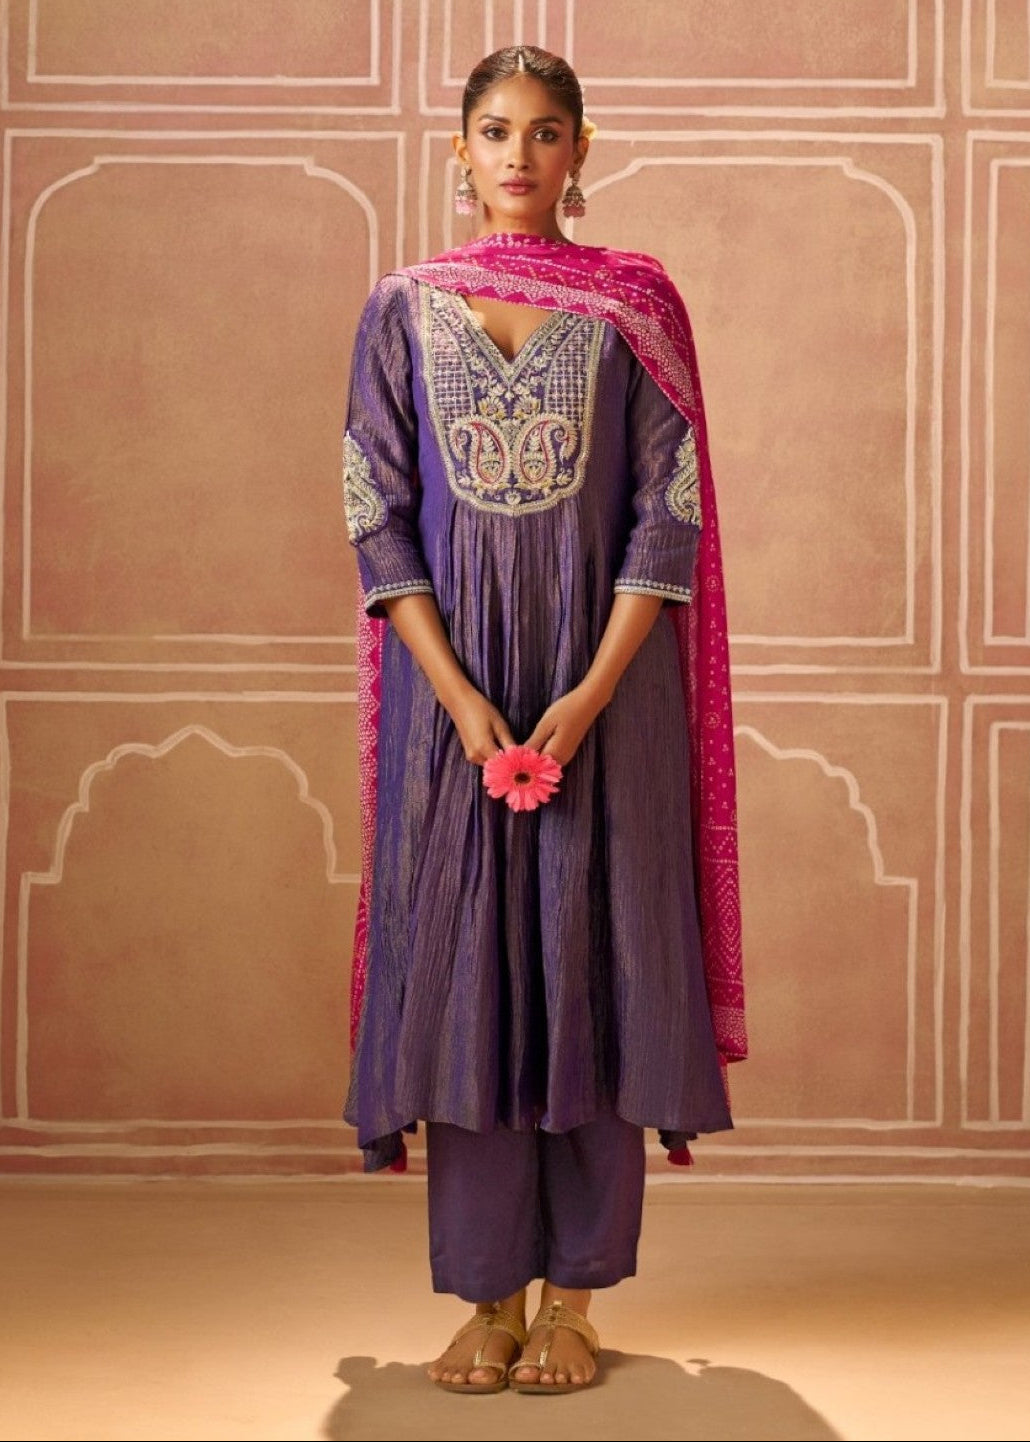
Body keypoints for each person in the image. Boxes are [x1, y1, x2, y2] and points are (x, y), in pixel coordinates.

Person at [341, 44, 746, 1395]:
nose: (519, 155)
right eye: (495, 131)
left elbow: (666, 516)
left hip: (607, 699)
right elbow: (376, 515)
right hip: (448, 704)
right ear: (458, 152)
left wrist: (588, 694)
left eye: (546, 132)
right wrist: (459, 698)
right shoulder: (401, 308)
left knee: (595, 967)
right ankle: (485, 1301)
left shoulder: (635, 305)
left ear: (581, 153)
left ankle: (572, 1300)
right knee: (464, 978)